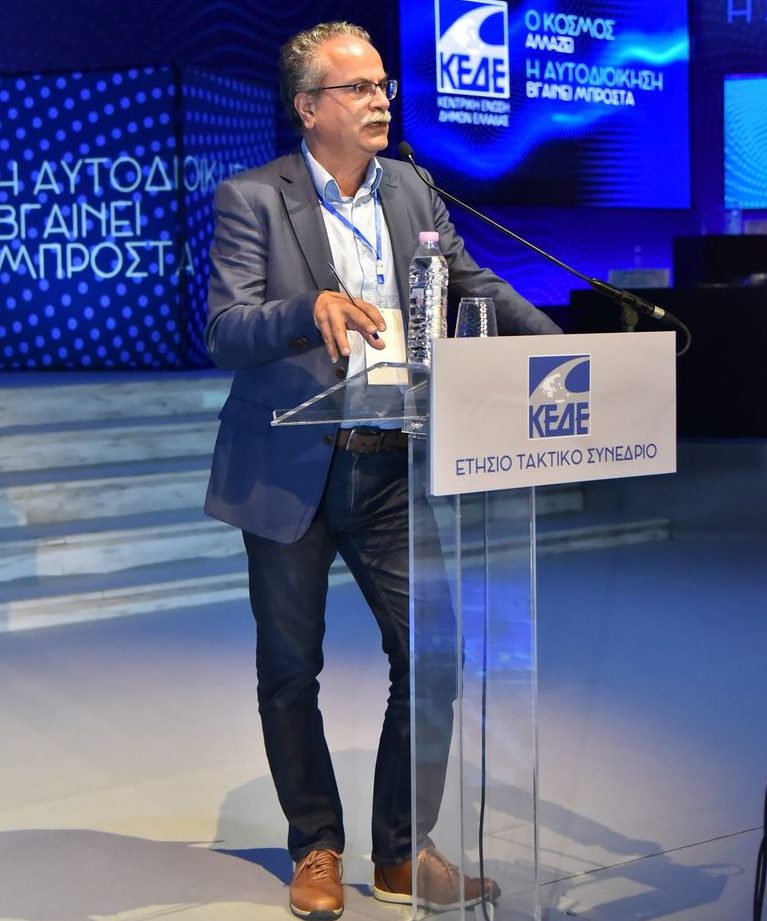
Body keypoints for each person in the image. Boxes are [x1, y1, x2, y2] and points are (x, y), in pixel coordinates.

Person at [204, 20, 561, 920]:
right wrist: (307, 307)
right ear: (308, 107)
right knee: (290, 671)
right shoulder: (252, 198)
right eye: (358, 88)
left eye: (381, 87)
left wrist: (561, 348)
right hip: (288, 467)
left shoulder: (411, 188)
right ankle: (315, 845)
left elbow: (471, 283)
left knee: (432, 657)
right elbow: (225, 330)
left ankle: (402, 851)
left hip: (392, 463)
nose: (379, 101)